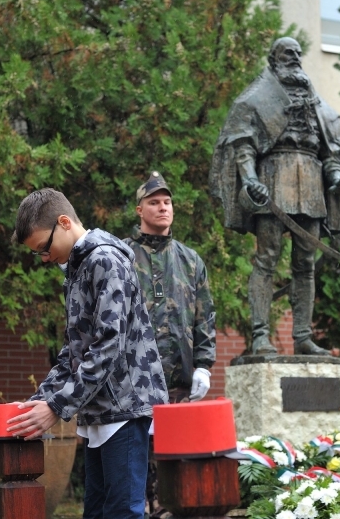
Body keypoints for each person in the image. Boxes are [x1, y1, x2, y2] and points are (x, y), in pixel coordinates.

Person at [6, 188, 168, 519]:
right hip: (102, 410)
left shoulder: (105, 260)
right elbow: (75, 349)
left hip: (124, 408)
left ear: (64, 223)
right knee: (96, 512)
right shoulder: (80, 266)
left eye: (44, 248)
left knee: (121, 512)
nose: (46, 258)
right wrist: (39, 400)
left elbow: (109, 345)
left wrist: (55, 407)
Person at [209, 36, 340, 356]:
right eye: (286, 53)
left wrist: (336, 176)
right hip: (274, 178)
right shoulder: (257, 99)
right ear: (274, 59)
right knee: (267, 258)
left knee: (306, 263)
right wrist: (250, 179)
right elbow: (242, 144)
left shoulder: (319, 106)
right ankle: (261, 335)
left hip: (311, 185)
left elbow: (330, 150)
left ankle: (302, 335)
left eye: (297, 53)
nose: (294, 57)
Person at [124, 171, 217, 517]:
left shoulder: (190, 260)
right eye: (154, 202)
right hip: (135, 381)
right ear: (140, 210)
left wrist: (204, 366)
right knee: (137, 458)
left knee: (172, 458)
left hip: (178, 382)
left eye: (167, 202)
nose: (162, 208)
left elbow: (204, 317)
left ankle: (167, 510)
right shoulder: (123, 256)